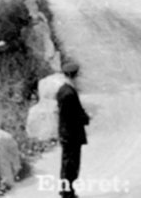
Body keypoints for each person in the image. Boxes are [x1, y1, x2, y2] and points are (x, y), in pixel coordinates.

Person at [56, 60, 91, 198]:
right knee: (71, 164)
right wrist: (84, 117)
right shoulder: (69, 93)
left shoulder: (64, 90)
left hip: (67, 133)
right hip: (71, 134)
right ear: (74, 75)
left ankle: (66, 190)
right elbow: (71, 116)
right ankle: (68, 192)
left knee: (68, 163)